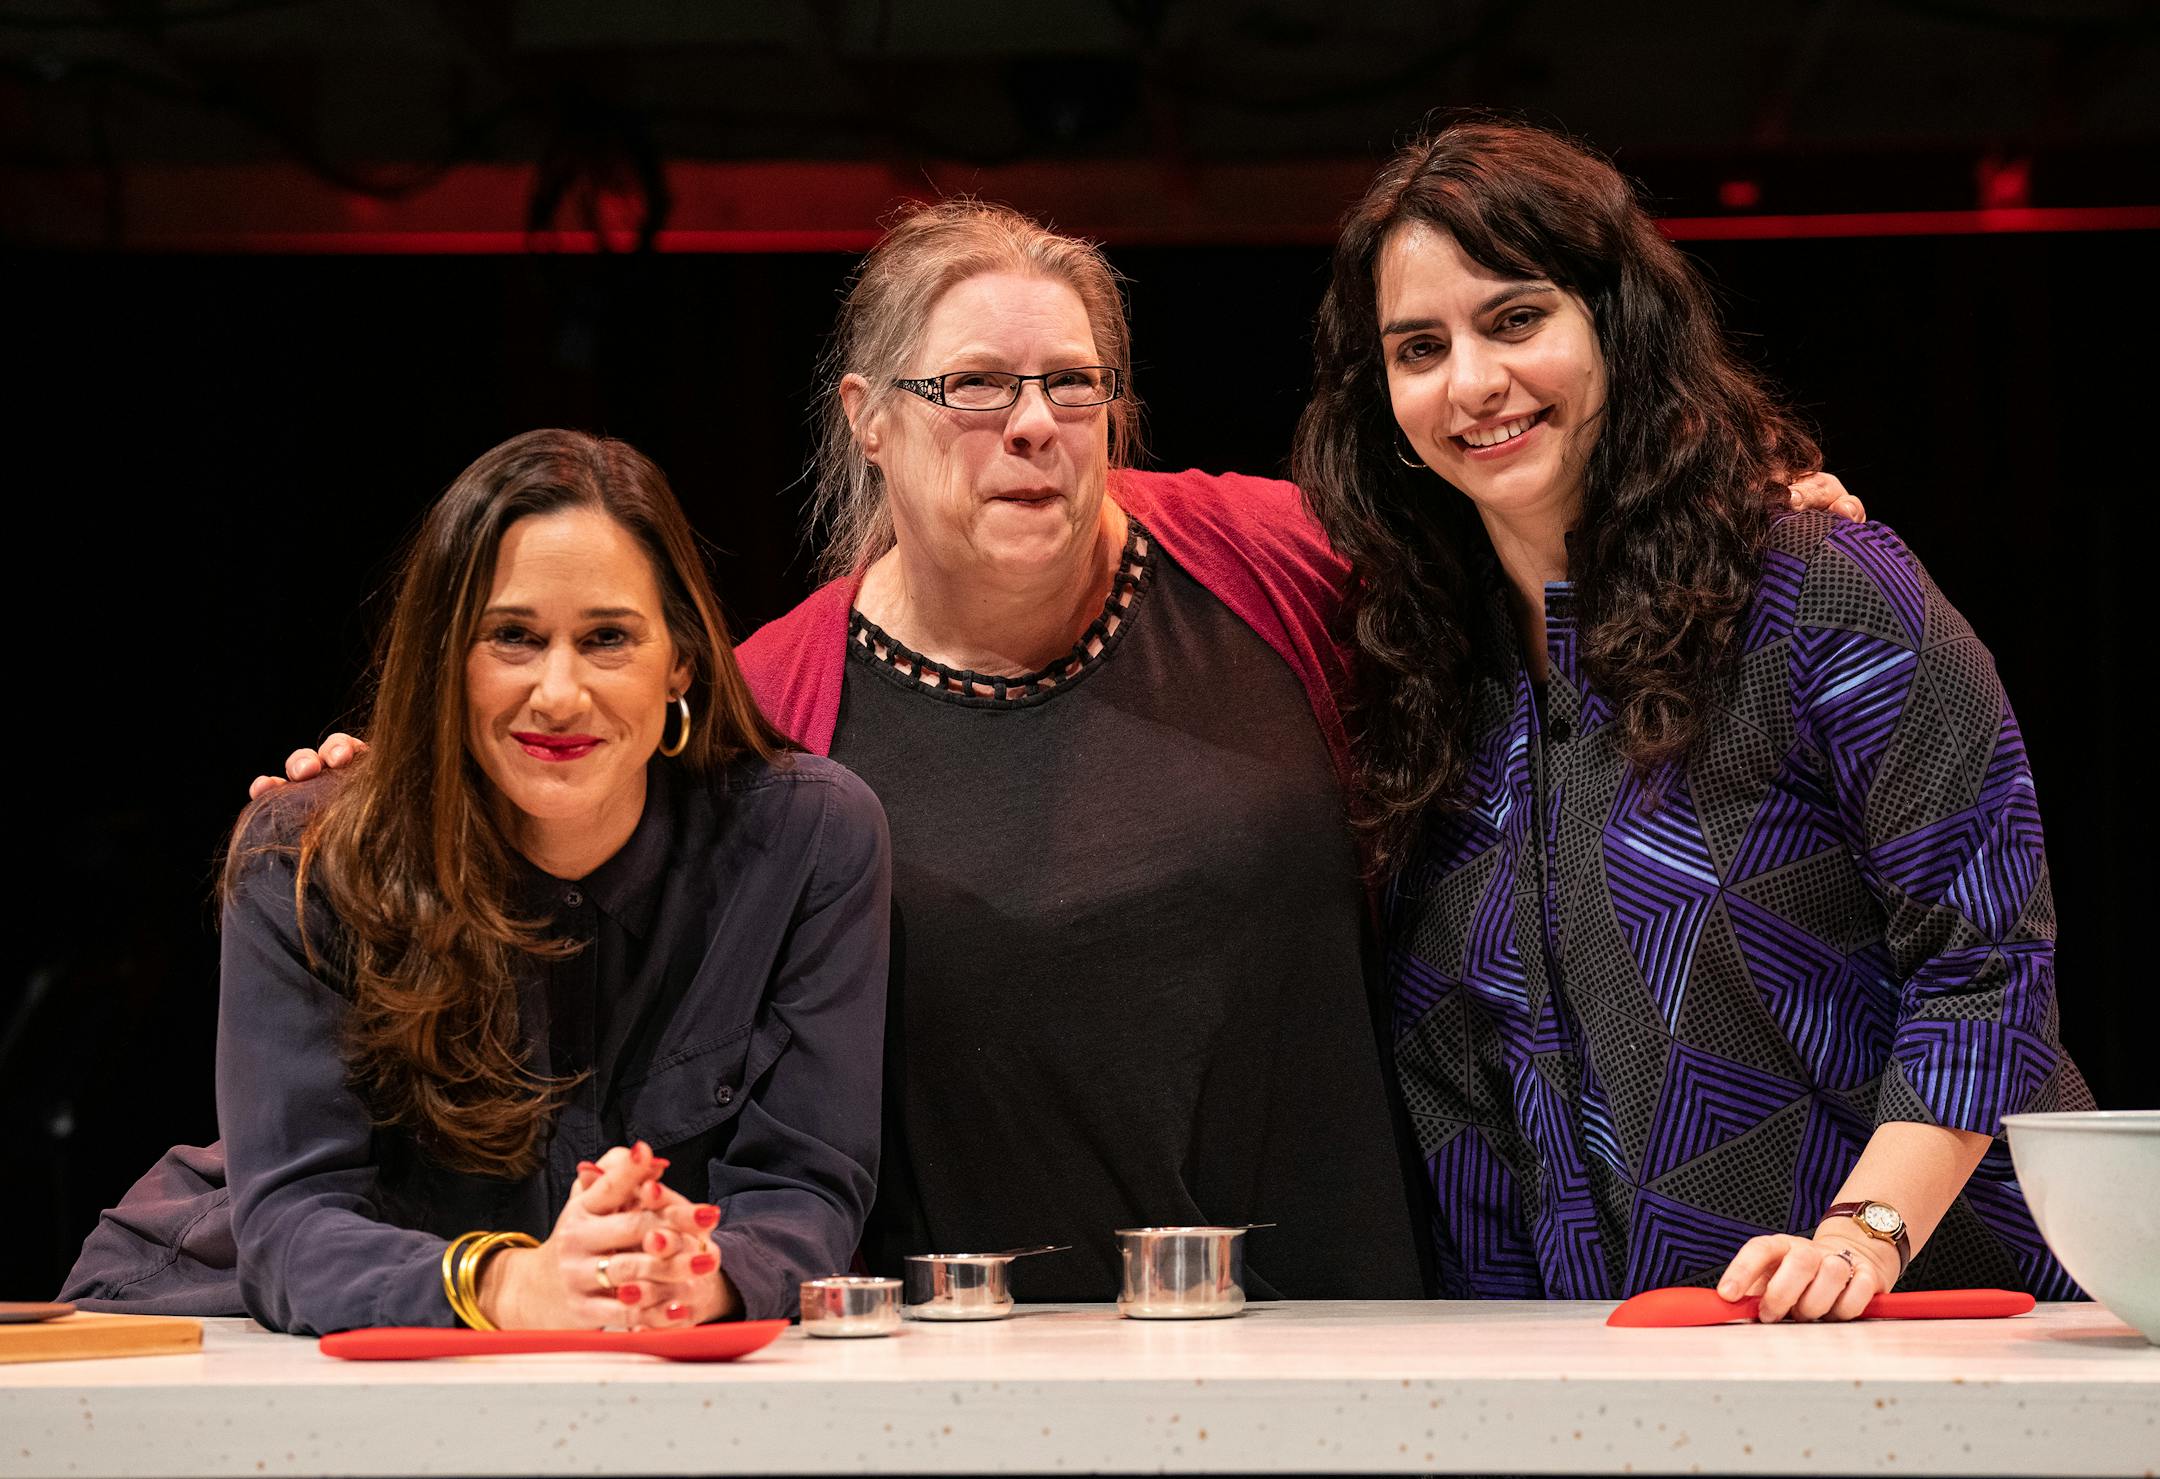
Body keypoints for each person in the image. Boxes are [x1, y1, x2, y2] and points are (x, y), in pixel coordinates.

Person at [259, 205, 1861, 1304]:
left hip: (1351, 1319)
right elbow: (574, 807)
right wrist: (398, 772)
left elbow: (1511, 514)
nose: (1030, 424)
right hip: (984, 1362)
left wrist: (1735, 515)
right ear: (869, 417)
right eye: (973, 389)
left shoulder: (1263, 557)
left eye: (1070, 385)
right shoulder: (777, 706)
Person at [1293, 119, 2088, 1321]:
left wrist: (1861, 1238)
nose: (1471, 382)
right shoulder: (1415, 674)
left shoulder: (1819, 588)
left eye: (1516, 319)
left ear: (1617, 323)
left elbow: (1986, 959)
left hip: (1919, 1337)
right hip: (1594, 1369)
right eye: (1418, 346)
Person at [64, 430, 890, 1333]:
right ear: (445, 658)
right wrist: (512, 1285)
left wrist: (699, 1272)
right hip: (246, 1327)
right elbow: (292, 1225)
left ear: (681, 661)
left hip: (615, 1342)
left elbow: (804, 1186)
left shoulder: (810, 838)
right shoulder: (305, 855)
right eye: (512, 637)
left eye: (608, 637)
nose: (560, 692)